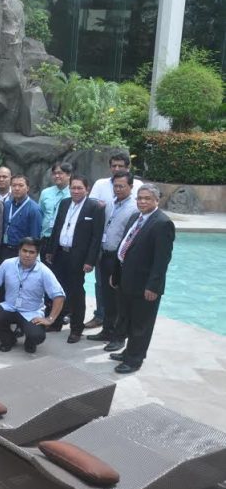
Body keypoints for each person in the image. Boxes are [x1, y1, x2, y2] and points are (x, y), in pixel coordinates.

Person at [109, 184, 175, 374]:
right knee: (128, 319)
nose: (142, 201)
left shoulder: (162, 223)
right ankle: (129, 352)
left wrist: (153, 286)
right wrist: (116, 273)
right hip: (126, 280)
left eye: (147, 198)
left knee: (141, 325)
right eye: (139, 198)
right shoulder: (135, 218)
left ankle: (134, 360)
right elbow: (124, 247)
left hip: (145, 285)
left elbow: (162, 260)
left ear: (156, 200)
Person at [0, 237, 65, 353]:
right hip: (9, 306)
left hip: (31, 312)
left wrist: (50, 319)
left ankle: (30, 342)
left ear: (37, 254)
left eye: (31, 252)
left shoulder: (44, 271)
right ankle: (9, 339)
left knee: (37, 336)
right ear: (19, 251)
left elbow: (59, 296)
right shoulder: (8, 264)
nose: (27, 255)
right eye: (24, 251)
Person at [87, 152, 144, 330]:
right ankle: (104, 322)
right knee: (103, 287)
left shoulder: (134, 206)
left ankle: (118, 332)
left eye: (121, 166)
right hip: (104, 250)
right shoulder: (110, 199)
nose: (118, 188)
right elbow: (93, 206)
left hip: (121, 255)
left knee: (118, 292)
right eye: (114, 166)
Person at [44, 175, 104, 341]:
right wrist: (51, 250)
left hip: (78, 257)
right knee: (57, 290)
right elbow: (57, 227)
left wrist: (90, 261)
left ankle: (76, 328)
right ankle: (55, 322)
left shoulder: (95, 207)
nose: (76, 191)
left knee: (76, 292)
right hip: (60, 254)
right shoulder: (64, 203)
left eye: (80, 188)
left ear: (87, 189)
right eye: (73, 188)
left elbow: (96, 237)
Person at [0, 174, 42, 261]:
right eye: (14, 185)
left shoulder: (34, 209)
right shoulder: (7, 205)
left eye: (21, 185)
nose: (17, 188)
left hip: (22, 252)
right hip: (4, 249)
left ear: (28, 188)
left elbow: (35, 236)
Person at [39, 162, 72, 248]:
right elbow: (40, 214)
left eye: (60, 173)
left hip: (63, 239)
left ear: (69, 175)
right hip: (46, 237)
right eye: (54, 173)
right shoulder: (45, 192)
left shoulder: (74, 193)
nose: (57, 176)